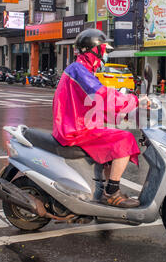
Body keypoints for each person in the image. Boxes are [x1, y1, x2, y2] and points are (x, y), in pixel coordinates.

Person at [52, 29, 148, 208]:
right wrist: (134, 101)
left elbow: (94, 104)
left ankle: (103, 190)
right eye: (103, 50)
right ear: (93, 50)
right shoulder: (79, 71)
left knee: (114, 135)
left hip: (78, 125)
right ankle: (112, 192)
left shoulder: (81, 70)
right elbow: (101, 96)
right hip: (75, 130)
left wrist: (124, 112)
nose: (104, 54)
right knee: (125, 139)